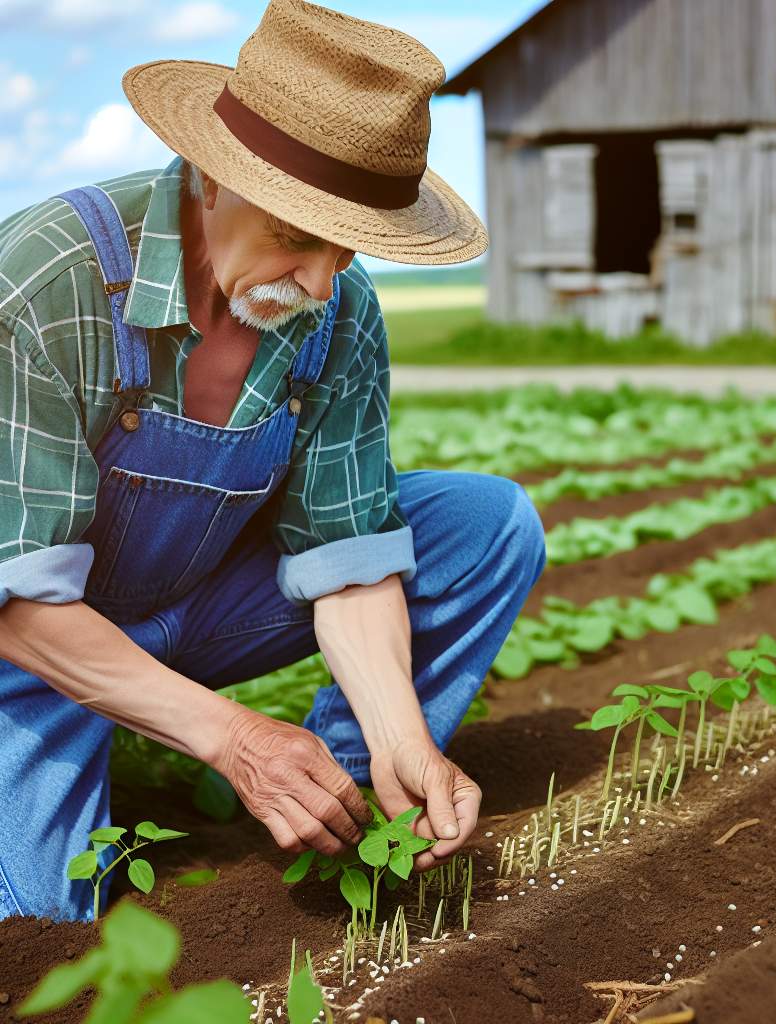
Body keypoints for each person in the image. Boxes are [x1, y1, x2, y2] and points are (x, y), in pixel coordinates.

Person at [0, 0, 546, 923]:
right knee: (39, 928)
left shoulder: (338, 309)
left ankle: (337, 796)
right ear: (211, 179)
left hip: (197, 603)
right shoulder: (50, 285)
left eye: (348, 246)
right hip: (34, 647)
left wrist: (399, 736)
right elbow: (18, 607)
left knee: (484, 526)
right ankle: (200, 759)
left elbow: (347, 554)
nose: (323, 281)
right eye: (298, 234)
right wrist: (237, 739)